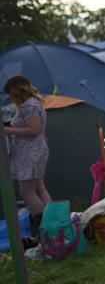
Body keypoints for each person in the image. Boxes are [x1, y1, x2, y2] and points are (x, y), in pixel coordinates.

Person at [3, 75, 52, 239]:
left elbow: (34, 130)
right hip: (34, 150)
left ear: (16, 90)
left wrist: (10, 131)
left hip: (30, 152)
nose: (10, 97)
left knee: (27, 192)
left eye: (10, 93)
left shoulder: (29, 106)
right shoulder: (31, 104)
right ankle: (52, 224)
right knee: (40, 188)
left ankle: (41, 228)